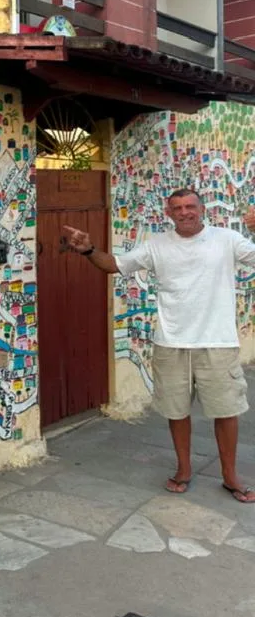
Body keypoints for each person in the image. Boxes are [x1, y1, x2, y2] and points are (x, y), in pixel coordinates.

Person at [63, 188, 255, 503]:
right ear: (169, 214)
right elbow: (114, 264)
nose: (184, 212)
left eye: (190, 206)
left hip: (218, 342)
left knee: (226, 411)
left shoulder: (227, 239)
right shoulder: (157, 245)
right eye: (177, 208)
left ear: (201, 209)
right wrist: (87, 250)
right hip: (171, 342)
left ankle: (230, 476)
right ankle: (183, 470)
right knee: (176, 411)